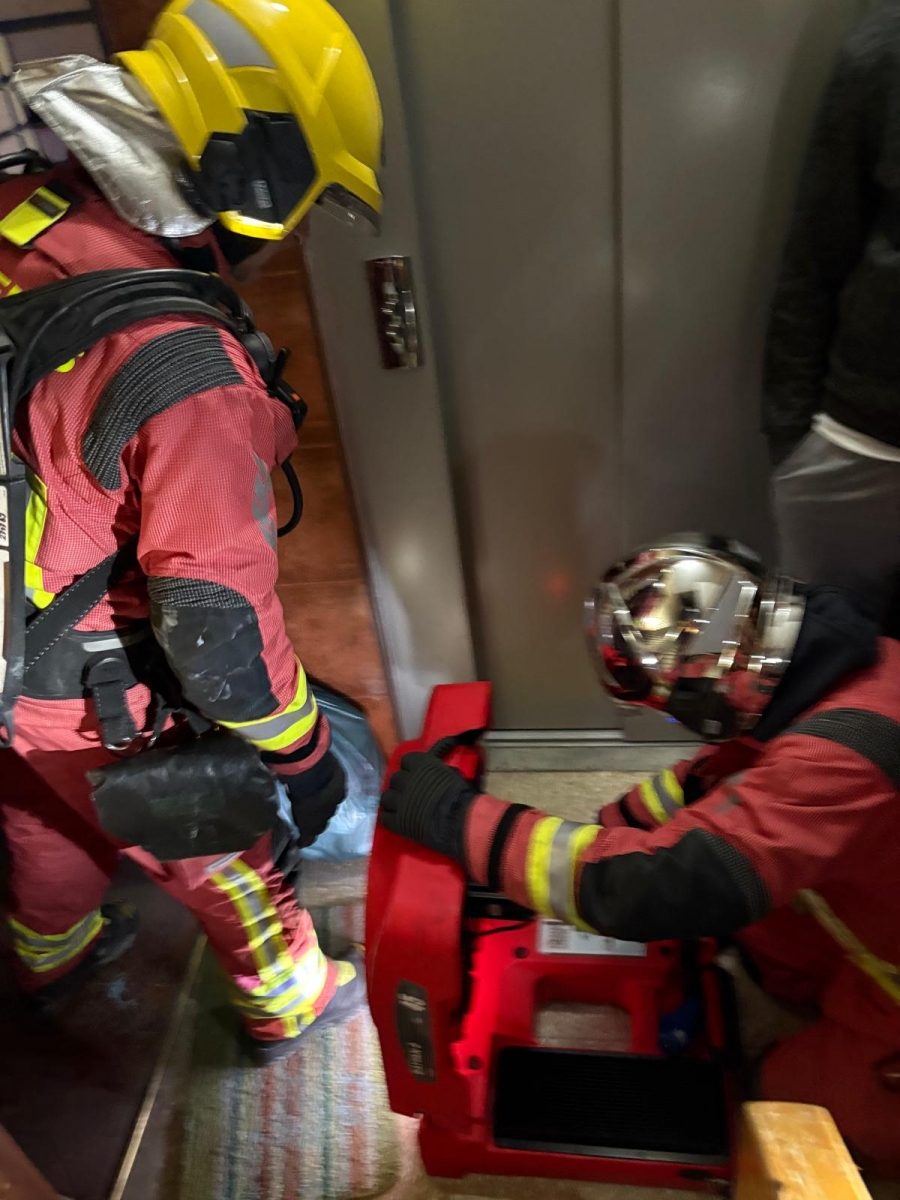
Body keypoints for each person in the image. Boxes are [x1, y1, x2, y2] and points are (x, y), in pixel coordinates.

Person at [0, 0, 383, 1065]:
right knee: (217, 839)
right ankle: (289, 996)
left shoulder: (24, 214)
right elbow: (217, 635)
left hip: (9, 660)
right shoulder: (181, 363)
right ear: (257, 175)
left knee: (39, 805)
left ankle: (52, 949)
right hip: (76, 677)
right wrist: (302, 758)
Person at [382, 536, 900, 1172]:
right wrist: (602, 832)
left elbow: (652, 886)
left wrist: (460, 821)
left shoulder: (838, 760)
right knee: (757, 924)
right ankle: (817, 984)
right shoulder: (842, 676)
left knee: (778, 1111)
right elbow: (710, 785)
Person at [764, 2, 900, 625]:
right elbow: (815, 252)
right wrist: (791, 437)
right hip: (862, 445)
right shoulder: (885, 43)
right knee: (835, 687)